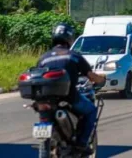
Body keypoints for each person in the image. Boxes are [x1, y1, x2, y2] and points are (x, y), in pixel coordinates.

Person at [37, 23, 106, 154]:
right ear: (69, 39)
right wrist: (102, 79)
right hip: (69, 97)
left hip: (45, 99)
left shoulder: (43, 58)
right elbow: (91, 76)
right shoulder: (73, 56)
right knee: (91, 111)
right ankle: (81, 144)